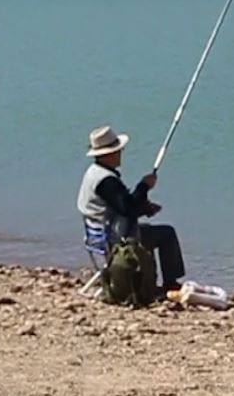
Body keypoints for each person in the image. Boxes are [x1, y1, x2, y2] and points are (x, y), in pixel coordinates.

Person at [76, 125, 186, 292]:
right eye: (118, 150)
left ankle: (145, 278)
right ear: (109, 154)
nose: (120, 154)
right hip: (115, 239)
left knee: (149, 230)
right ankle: (169, 283)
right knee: (166, 233)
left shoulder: (93, 172)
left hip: (98, 234)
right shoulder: (107, 181)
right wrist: (144, 186)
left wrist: (145, 208)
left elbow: (120, 206)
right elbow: (127, 208)